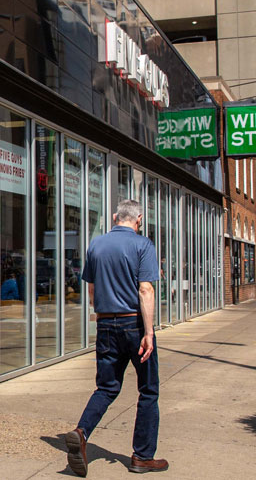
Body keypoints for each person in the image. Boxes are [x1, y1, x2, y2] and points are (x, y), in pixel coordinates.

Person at [65, 199, 168, 476]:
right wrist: (149, 332)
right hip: (133, 323)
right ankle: (142, 456)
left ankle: (81, 432)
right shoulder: (142, 244)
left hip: (106, 323)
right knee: (148, 389)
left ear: (114, 217)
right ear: (139, 219)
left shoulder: (96, 244)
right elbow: (145, 290)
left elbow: (91, 287)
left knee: (107, 387)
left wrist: (99, 315)